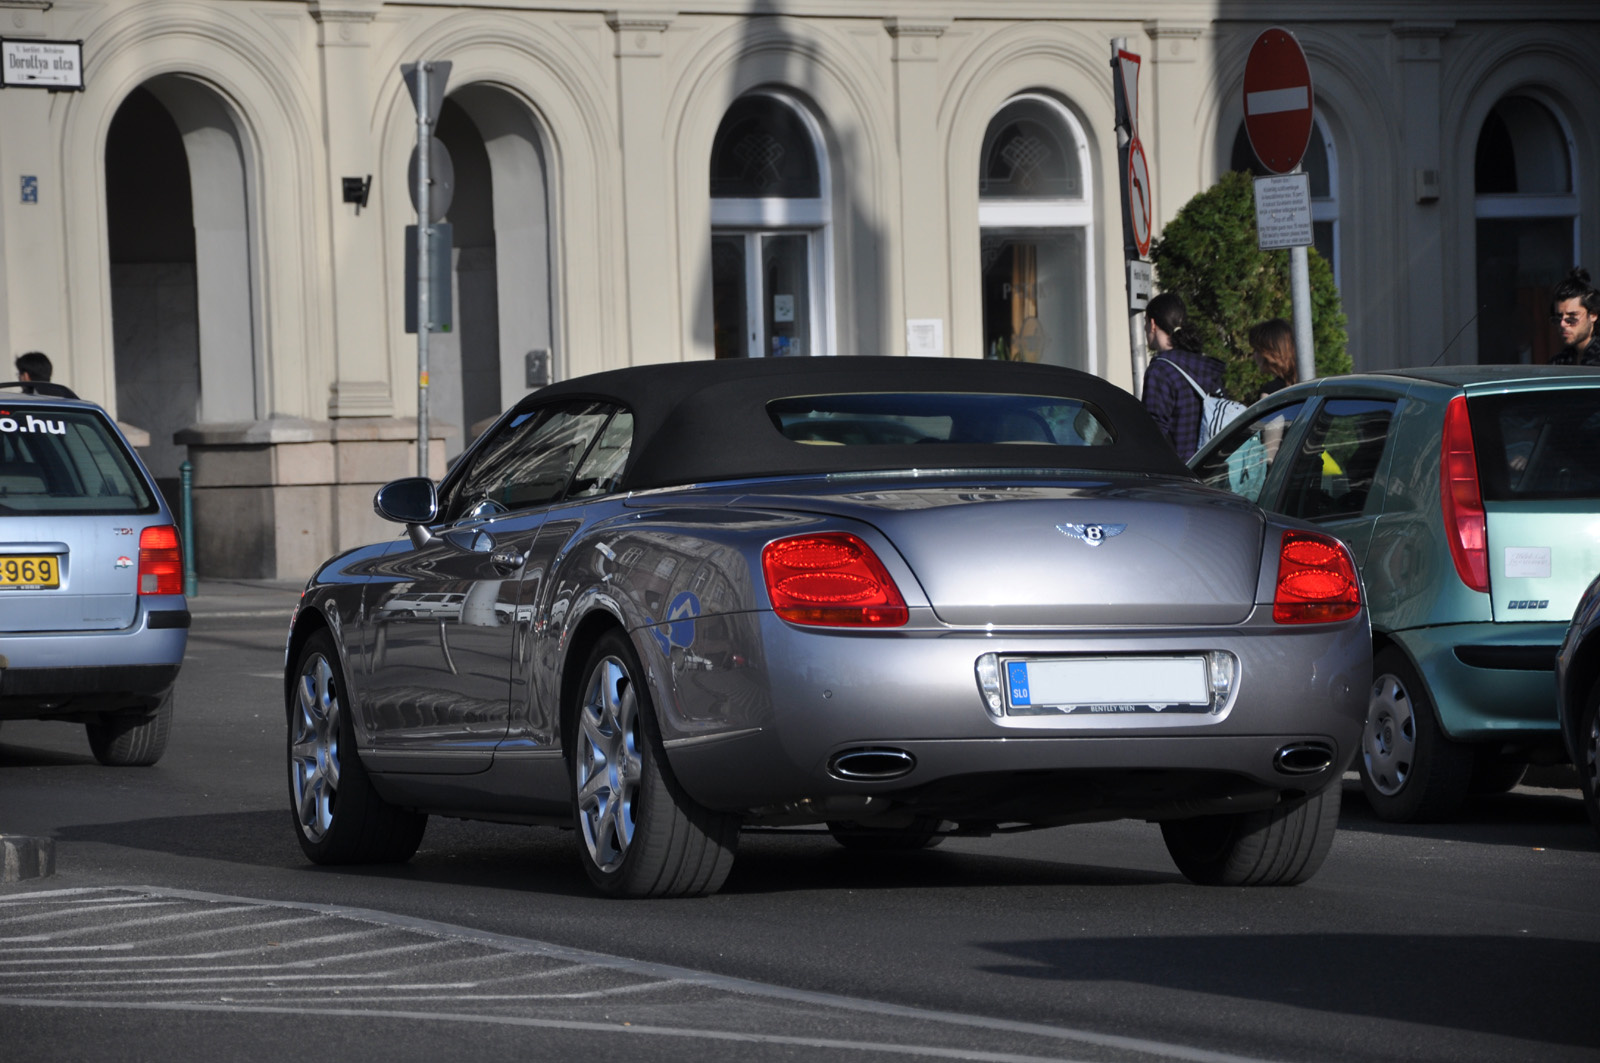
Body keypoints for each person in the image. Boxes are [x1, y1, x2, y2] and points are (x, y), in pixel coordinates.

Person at [1141, 292, 1227, 460]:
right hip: (1210, 468)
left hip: (1179, 474)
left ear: (1152, 324)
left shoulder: (1160, 370)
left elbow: (1153, 432)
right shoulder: (1205, 365)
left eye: (1145, 322)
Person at [1549, 268, 1600, 366]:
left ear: (1593, 315)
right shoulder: (1559, 362)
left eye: (1572, 317)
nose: (1562, 324)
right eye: (1558, 317)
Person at [1247, 318, 1298, 399]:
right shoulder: (1310, 382)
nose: (1253, 356)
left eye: (1256, 350)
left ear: (1268, 353)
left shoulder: (1269, 393)